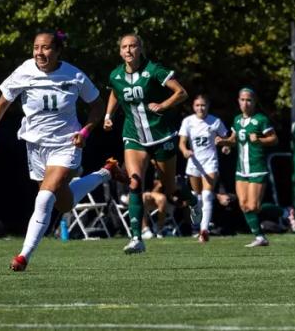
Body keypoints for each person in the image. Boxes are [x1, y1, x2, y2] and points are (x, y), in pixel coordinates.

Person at [0, 29, 125, 272]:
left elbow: (97, 107)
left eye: (45, 48)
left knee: (44, 198)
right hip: (35, 146)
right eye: (36, 47)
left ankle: (23, 256)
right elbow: (2, 103)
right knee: (62, 203)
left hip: (66, 144)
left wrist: (85, 131)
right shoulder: (24, 71)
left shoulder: (74, 75)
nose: (39, 52)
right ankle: (106, 172)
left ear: (57, 51)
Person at [103, 33, 189, 254]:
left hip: (161, 136)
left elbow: (181, 93)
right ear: (120, 51)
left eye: (133, 46)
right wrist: (108, 115)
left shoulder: (154, 69)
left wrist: (163, 104)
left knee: (171, 189)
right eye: (124, 47)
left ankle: (193, 202)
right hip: (134, 136)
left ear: (140, 48)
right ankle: (136, 238)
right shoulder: (116, 75)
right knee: (134, 182)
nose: (128, 50)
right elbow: (115, 91)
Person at [217, 87, 278, 247]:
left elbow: (274, 139)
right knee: (244, 204)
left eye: (249, 100)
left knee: (253, 206)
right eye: (243, 100)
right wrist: (224, 143)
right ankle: (260, 237)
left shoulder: (260, 119)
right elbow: (233, 140)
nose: (246, 103)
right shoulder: (237, 120)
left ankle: (284, 212)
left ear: (254, 102)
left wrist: (259, 139)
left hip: (257, 167)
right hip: (241, 170)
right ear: (238, 101)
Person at [178, 94, 230, 243]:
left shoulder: (215, 121)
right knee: (197, 197)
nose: (200, 108)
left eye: (203, 105)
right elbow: (182, 142)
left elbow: (227, 139)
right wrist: (185, 151)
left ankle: (204, 230)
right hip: (194, 162)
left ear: (208, 106)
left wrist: (226, 146)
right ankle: (197, 227)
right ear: (193, 107)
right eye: (197, 105)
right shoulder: (188, 121)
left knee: (207, 195)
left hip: (210, 162)